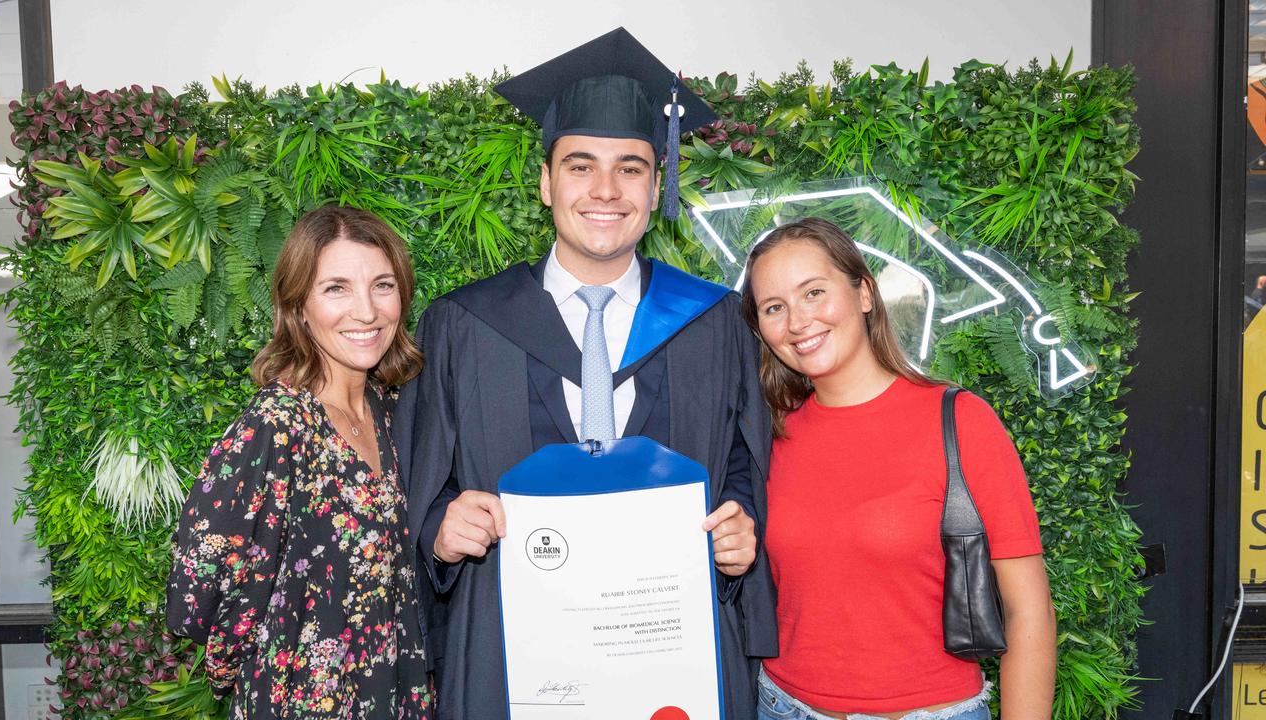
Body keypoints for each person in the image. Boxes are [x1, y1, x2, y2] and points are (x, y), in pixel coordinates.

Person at [395, 27, 776, 720]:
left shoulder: (712, 321)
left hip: (673, 648)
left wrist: (742, 524)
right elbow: (423, 485)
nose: (606, 190)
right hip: (512, 653)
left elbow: (744, 463)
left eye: (630, 168)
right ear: (545, 182)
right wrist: (440, 533)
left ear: (657, 184)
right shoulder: (464, 324)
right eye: (580, 166)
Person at [741, 218, 1057, 720]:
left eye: (814, 292)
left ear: (864, 292)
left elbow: (1029, 611)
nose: (798, 321)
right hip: (784, 707)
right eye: (774, 308)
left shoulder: (959, 421)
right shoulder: (767, 438)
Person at [166, 206, 432, 719]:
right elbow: (194, 587)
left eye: (382, 285)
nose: (366, 311)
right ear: (299, 307)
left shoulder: (397, 412)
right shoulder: (277, 424)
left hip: (398, 694)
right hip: (304, 701)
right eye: (336, 288)